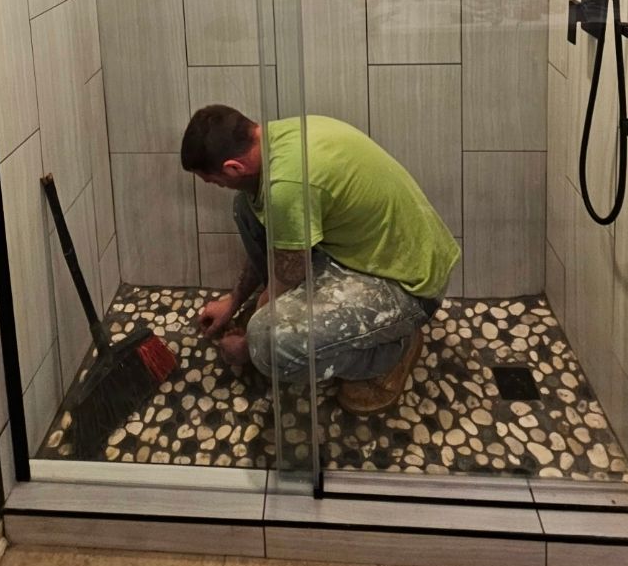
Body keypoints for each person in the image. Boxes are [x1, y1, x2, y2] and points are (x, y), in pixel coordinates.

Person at [180, 105, 460, 413]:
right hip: (365, 254)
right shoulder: (281, 138)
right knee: (246, 207)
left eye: (215, 181)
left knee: (269, 346)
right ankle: (314, 325)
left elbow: (287, 270)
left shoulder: (286, 185)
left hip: (408, 286)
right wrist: (233, 301)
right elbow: (282, 247)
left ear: (234, 167)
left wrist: (249, 343)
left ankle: (392, 349)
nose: (217, 187)